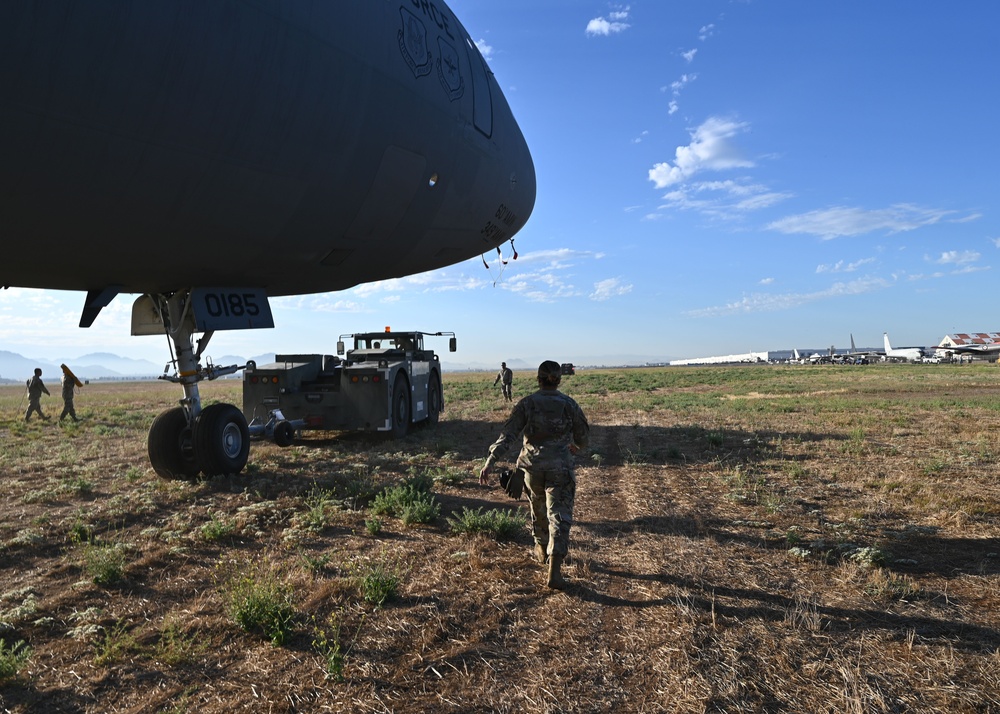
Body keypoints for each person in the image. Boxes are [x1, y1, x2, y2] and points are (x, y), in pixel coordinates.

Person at [480, 360, 589, 589]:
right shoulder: (569, 404)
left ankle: (540, 549)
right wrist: (576, 447)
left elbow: (508, 435)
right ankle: (555, 569)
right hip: (560, 469)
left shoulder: (527, 404)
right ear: (559, 379)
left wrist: (490, 462)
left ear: (538, 379)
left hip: (531, 469)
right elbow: (583, 436)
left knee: (538, 511)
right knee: (559, 516)